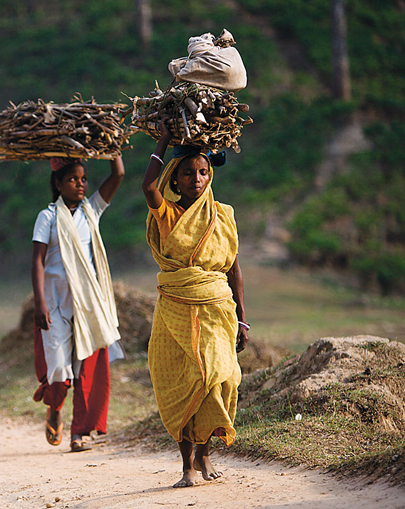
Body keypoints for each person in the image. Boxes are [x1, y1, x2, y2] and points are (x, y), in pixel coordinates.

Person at [141, 121, 248, 487]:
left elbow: (234, 268)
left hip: (217, 309)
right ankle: (187, 465)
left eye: (203, 171)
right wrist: (165, 140)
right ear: (175, 177)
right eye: (187, 173)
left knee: (221, 377)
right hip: (175, 309)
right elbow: (147, 187)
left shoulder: (223, 216)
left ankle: (205, 454)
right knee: (189, 381)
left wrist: (243, 319)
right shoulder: (168, 214)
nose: (196, 179)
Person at [31, 155, 125, 452]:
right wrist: (40, 303)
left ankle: (79, 433)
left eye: (84, 179)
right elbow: (37, 260)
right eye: (73, 180)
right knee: (59, 370)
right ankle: (55, 407)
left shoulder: (91, 211)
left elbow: (118, 174)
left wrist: (111, 149)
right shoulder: (47, 216)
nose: (81, 184)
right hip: (56, 305)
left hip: (88, 307)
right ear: (58, 184)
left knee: (87, 373)